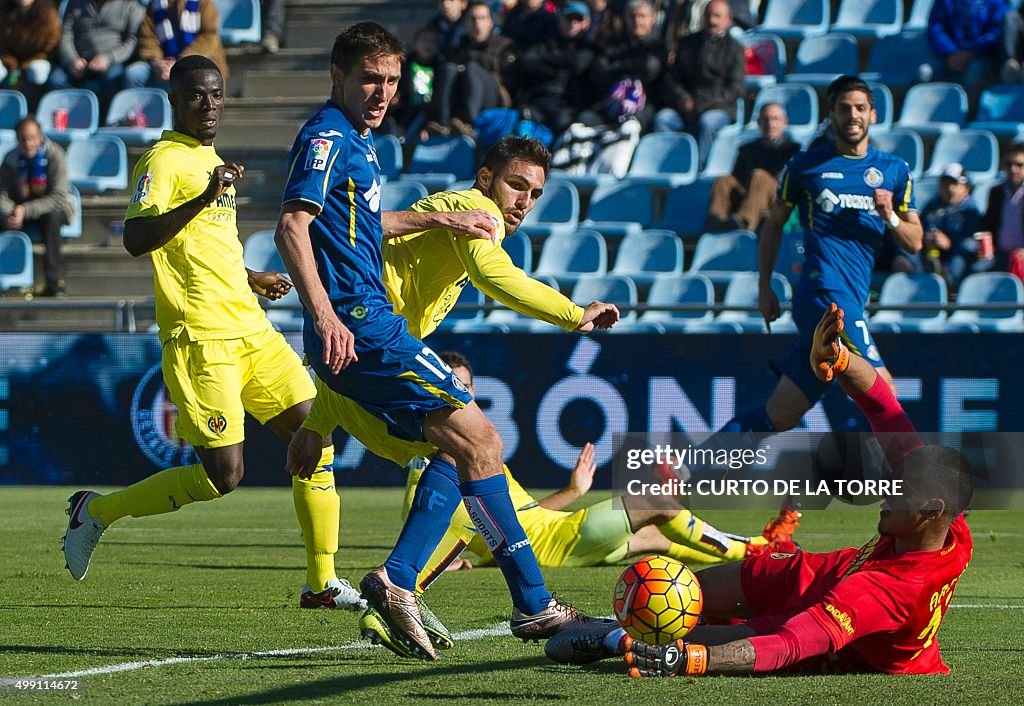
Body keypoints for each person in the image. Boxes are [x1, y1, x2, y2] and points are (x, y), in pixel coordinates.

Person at [273, 24, 618, 662]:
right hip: (366, 331)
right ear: (337, 76)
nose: (382, 93)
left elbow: (360, 229)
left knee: (461, 454)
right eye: (370, 79)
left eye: (393, 82)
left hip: (358, 350)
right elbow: (293, 224)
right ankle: (527, 603)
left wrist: (318, 419)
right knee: (482, 441)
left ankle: (406, 581)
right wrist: (574, 314)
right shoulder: (333, 138)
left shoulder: (361, 144)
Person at [57, 56, 366, 613]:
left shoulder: (211, 158)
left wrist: (251, 276)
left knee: (314, 439)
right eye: (198, 96)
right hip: (201, 339)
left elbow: (204, 247)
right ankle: (94, 512)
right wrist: (202, 196)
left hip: (253, 328)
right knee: (225, 475)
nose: (210, 105)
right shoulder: (163, 161)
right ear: (174, 99)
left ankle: (321, 582)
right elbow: (136, 238)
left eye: (217, 96)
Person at [547, 303, 974, 677]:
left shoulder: (887, 593)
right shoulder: (947, 514)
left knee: (708, 636)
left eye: (899, 489)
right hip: (825, 572)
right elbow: (883, 404)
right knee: (678, 593)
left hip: (844, 635)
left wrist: (692, 661)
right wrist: (839, 358)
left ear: (931, 511)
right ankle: (621, 626)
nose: (887, 490)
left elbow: (790, 643)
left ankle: (612, 638)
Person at [714, 75, 922, 442]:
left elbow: (915, 241)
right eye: (844, 108)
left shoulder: (894, 171)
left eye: (860, 108)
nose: (853, 115)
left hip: (851, 299)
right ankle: (925, 491)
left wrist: (889, 215)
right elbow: (773, 224)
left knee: (780, 414)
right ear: (832, 115)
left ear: (873, 114)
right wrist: (764, 286)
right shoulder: (805, 166)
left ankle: (682, 472)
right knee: (885, 392)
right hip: (823, 296)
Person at [653, 0, 745, 169]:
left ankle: (698, 169)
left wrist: (700, 105)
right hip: (686, 106)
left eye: (717, 16)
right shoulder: (687, 43)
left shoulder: (735, 49)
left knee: (708, 123)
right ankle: (669, 166)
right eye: (708, 15)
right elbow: (672, 79)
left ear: (728, 19)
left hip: (718, 107)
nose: (712, 20)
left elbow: (736, 89)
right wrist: (683, 99)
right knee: (663, 119)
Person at [0, 116, 75, 296]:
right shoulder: (10, 160)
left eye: (32, 137)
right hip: (19, 210)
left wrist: (25, 210)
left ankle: (54, 282)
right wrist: (11, 213)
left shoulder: (55, 155)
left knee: (53, 219)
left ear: (40, 136)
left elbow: (59, 196)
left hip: (50, 210)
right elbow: (2, 195)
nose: (28, 143)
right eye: (23, 139)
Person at [704, 102, 800, 233]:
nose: (770, 124)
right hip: (750, 194)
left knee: (759, 176)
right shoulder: (747, 149)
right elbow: (737, 177)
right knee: (723, 180)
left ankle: (744, 222)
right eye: (766, 119)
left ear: (785, 122)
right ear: (759, 122)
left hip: (777, 196)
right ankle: (716, 220)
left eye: (775, 119)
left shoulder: (793, 150)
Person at [429, 1, 515, 138]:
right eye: (473, 19)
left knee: (471, 69)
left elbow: (509, 83)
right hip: (462, 99)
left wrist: (470, 66)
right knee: (448, 69)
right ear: (466, 23)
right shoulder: (459, 48)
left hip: (494, 100)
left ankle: (471, 125)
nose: (477, 24)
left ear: (491, 22)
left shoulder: (504, 47)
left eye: (482, 18)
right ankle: (442, 124)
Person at [50, 0, 147, 110]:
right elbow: (66, 35)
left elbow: (132, 41)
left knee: (112, 79)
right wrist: (72, 60)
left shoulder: (131, 5)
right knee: (57, 79)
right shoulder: (75, 3)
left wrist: (108, 58)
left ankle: (106, 122)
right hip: (79, 61)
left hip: (112, 63)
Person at [128, 0, 228, 90]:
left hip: (195, 62)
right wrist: (158, 63)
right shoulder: (155, 5)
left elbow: (209, 36)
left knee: (191, 79)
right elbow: (148, 38)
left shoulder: (205, 3)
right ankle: (139, 109)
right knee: (133, 74)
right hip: (163, 65)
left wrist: (180, 63)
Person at [919, 163, 982, 290]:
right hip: (931, 252)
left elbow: (971, 238)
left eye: (955, 185)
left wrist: (950, 243)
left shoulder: (970, 210)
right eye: (945, 184)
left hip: (957, 256)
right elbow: (920, 227)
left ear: (966, 188)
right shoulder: (931, 206)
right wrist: (926, 238)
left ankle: (947, 280)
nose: (949, 189)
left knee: (966, 247)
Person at [927, 0, 1006, 94]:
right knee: (925, 72)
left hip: (980, 56)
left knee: (976, 71)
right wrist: (950, 52)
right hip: (949, 56)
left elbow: (996, 33)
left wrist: (971, 53)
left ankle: (968, 109)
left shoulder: (997, 2)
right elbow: (935, 28)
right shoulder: (944, 2)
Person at [978, 143, 1024, 277]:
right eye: (1009, 165)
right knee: (976, 271)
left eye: (1019, 165)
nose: (1013, 169)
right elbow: (988, 223)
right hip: (1000, 255)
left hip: (1021, 256)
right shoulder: (996, 192)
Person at [0, 0, 60, 93]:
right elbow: (3, 46)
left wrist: (25, 65)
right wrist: (12, 65)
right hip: (11, 62)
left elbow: (50, 46)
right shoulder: (4, 13)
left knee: (37, 73)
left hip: (38, 60)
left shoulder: (48, 13)